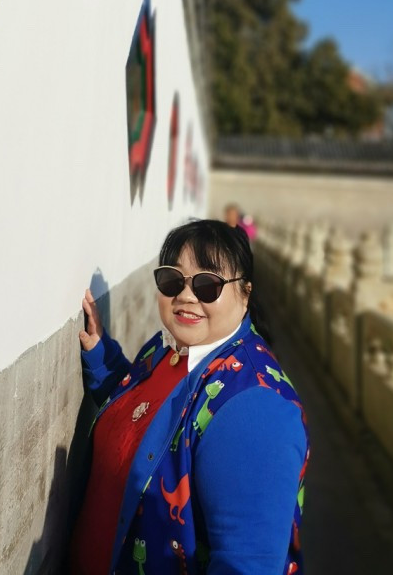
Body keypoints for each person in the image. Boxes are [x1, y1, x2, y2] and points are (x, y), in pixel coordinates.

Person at [70, 220, 308, 574]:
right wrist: (103, 357)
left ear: (245, 293)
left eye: (207, 285)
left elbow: (247, 564)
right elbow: (145, 416)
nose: (185, 296)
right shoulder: (168, 348)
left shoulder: (256, 407)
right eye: (172, 280)